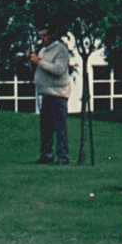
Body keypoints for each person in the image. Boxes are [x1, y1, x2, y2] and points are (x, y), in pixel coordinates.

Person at [29, 27, 71, 165]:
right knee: (45, 128)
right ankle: (46, 154)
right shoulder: (42, 50)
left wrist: (39, 61)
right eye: (42, 35)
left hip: (58, 93)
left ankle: (63, 156)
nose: (42, 38)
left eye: (45, 35)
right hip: (46, 93)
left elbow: (59, 70)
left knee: (60, 127)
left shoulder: (60, 50)